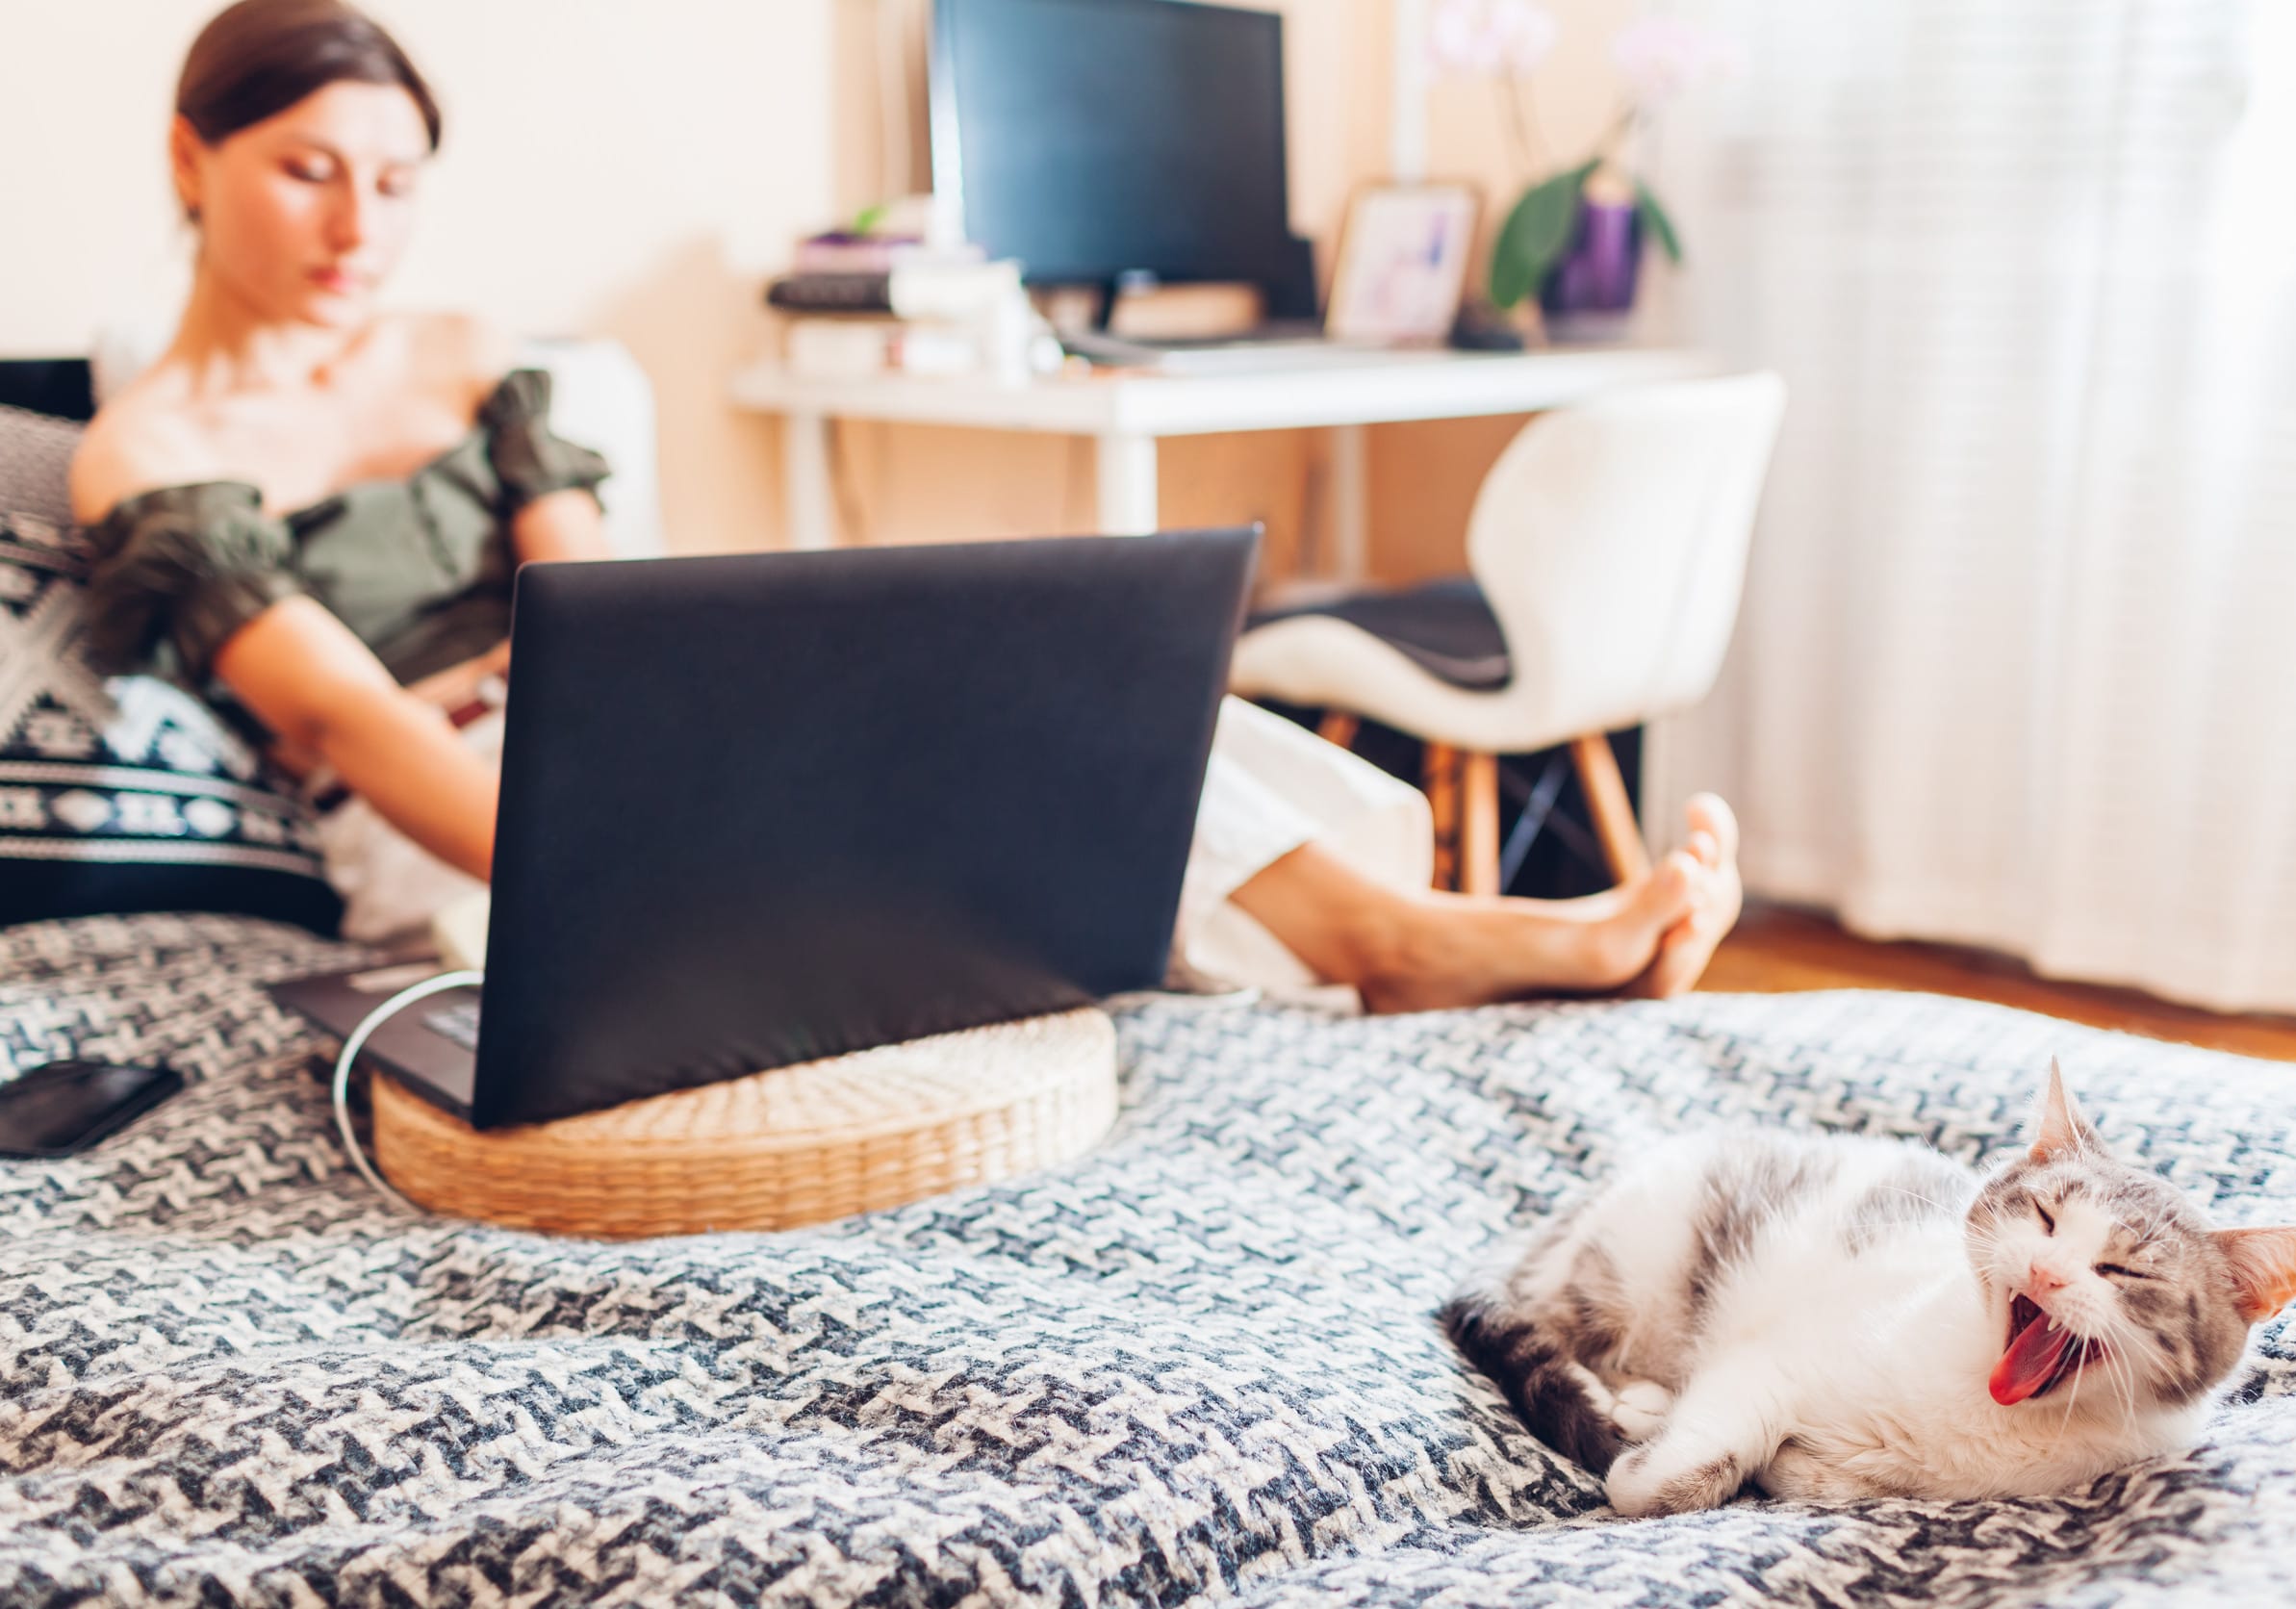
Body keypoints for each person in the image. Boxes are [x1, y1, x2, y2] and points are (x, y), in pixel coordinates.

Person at [70, 0, 1744, 1014]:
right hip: (437, 818)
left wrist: (716, 728)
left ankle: (1405, 934)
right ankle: (1371, 941)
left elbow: (596, 611)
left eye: (398, 177)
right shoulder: (146, 443)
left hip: (595, 724)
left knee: (1055, 698)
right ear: (188, 158)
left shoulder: (465, 350)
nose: (361, 221)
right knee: (901, 827)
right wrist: (626, 861)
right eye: (308, 167)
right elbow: (360, 732)